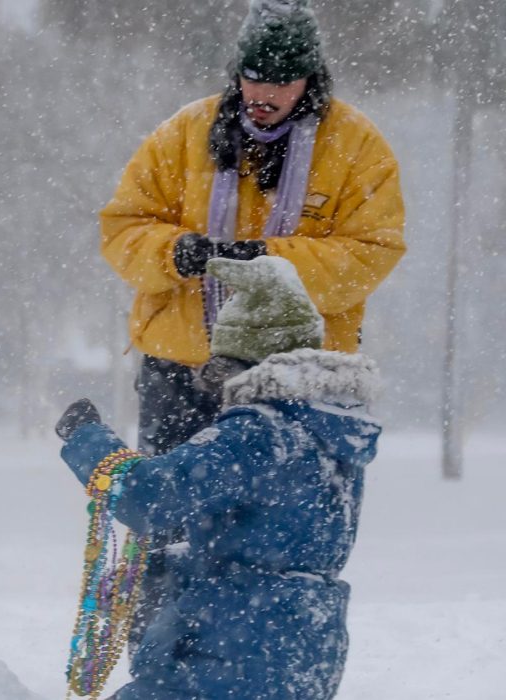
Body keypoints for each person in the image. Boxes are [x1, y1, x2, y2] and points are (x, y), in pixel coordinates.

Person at [97, 0, 405, 643]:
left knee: (276, 544)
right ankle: (161, 658)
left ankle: (257, 667)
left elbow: (372, 253)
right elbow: (122, 226)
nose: (263, 93)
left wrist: (266, 259)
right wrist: (172, 253)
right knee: (168, 534)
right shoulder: (183, 133)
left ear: (311, 81)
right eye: (253, 76)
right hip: (183, 370)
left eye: (283, 81)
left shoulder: (358, 148)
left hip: (297, 386)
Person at [56, 256, 381, 700]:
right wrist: (160, 566)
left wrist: (87, 439)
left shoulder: (259, 431)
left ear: (246, 362)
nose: (217, 388)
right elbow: (273, 549)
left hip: (229, 653)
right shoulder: (329, 432)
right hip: (302, 649)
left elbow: (150, 497)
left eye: (219, 369)